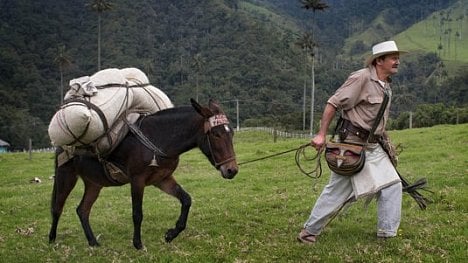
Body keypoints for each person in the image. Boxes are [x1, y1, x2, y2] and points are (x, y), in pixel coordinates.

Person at [297, 40, 406, 244]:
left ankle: (387, 234)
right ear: (379, 61)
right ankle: (309, 232)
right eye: (393, 57)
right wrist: (321, 134)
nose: (397, 61)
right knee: (337, 191)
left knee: (392, 185)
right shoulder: (361, 78)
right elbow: (333, 103)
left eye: (397, 57)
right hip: (351, 146)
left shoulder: (386, 84)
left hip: (373, 146)